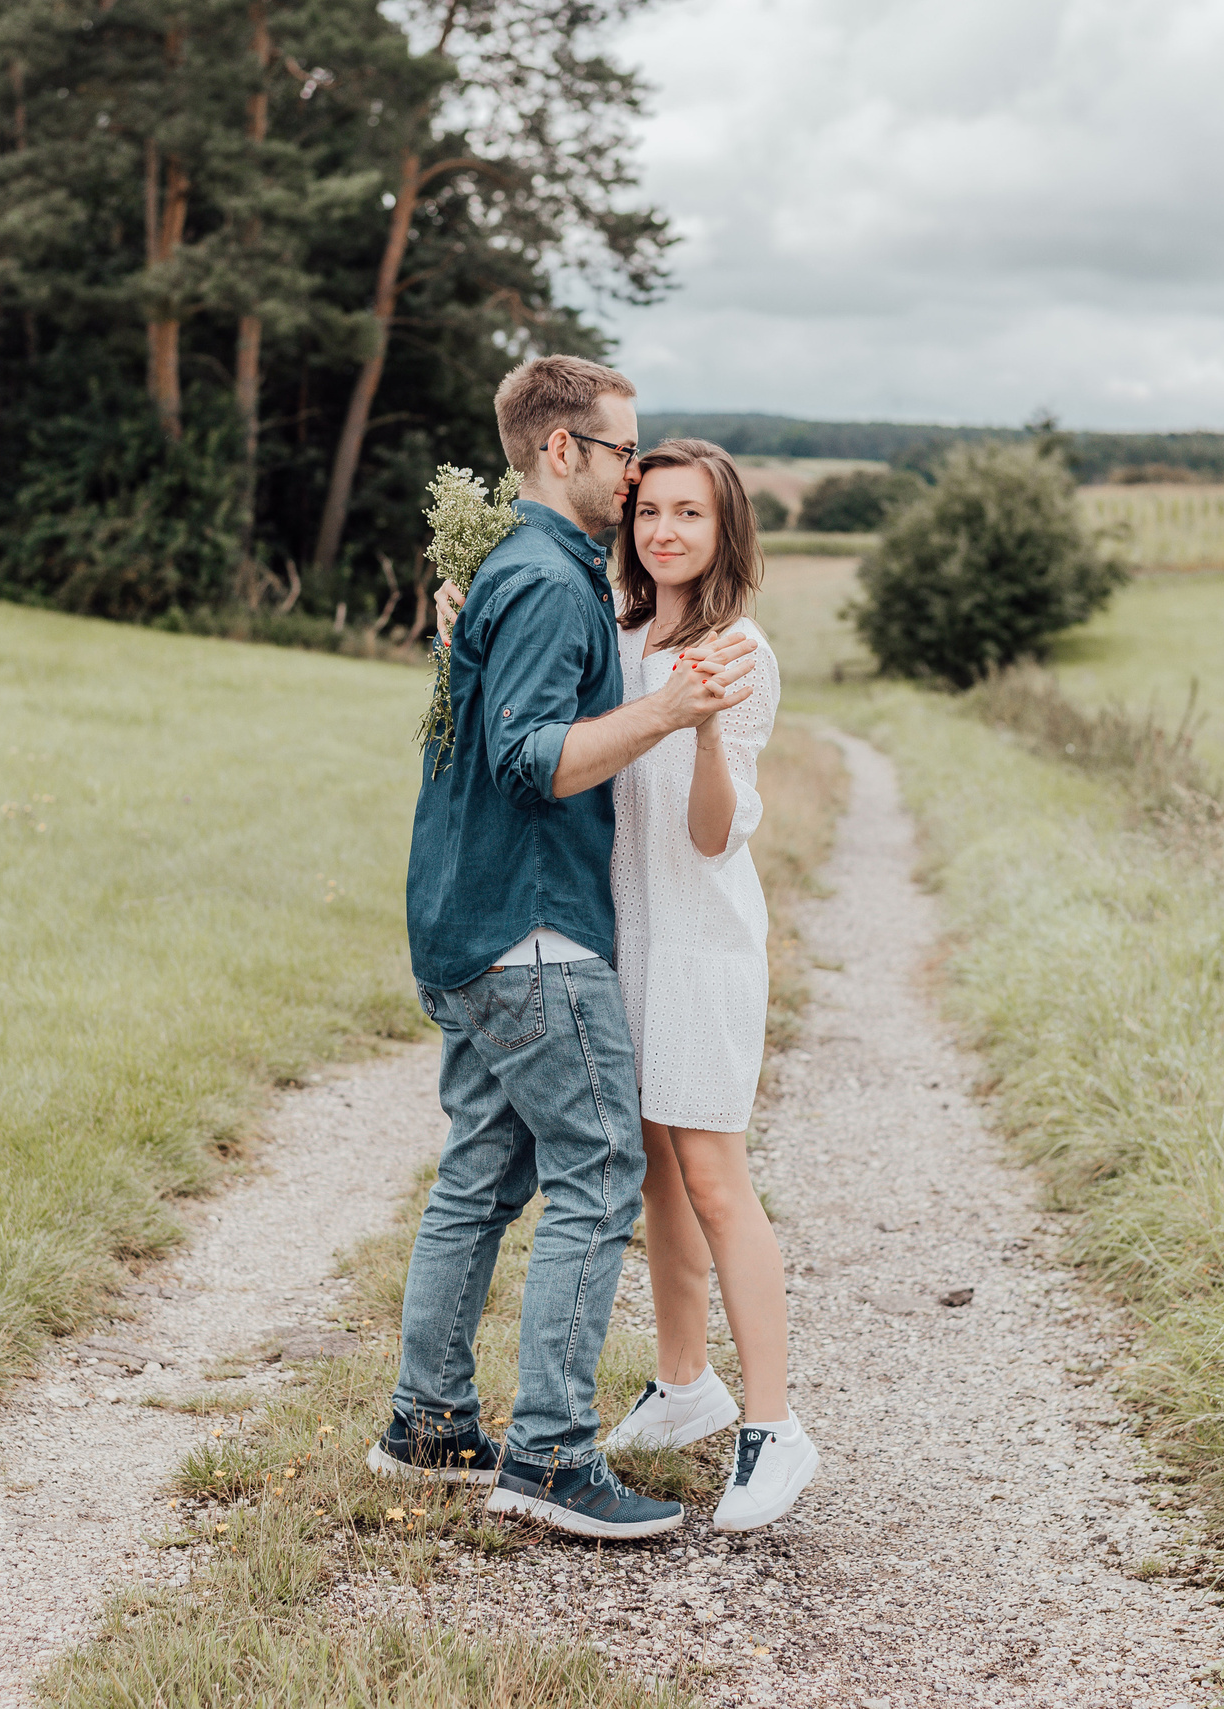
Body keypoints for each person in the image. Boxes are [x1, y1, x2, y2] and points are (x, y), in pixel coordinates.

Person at [367, 356, 759, 1540]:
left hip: (464, 918)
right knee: (595, 1169)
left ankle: (430, 1423)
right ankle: (548, 1457)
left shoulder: (517, 568)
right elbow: (529, 759)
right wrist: (671, 710)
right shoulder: (543, 580)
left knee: (484, 1170)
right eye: (624, 451)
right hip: (530, 929)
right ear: (561, 450)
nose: (633, 474)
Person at [596, 440, 817, 1532]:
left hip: (704, 945)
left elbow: (713, 833)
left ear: (725, 528)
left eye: (689, 512)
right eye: (649, 511)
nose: (664, 530)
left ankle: (774, 1427)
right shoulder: (621, 634)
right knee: (657, 1174)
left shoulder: (739, 651)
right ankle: (685, 1385)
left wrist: (709, 729)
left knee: (717, 1180)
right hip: (631, 938)